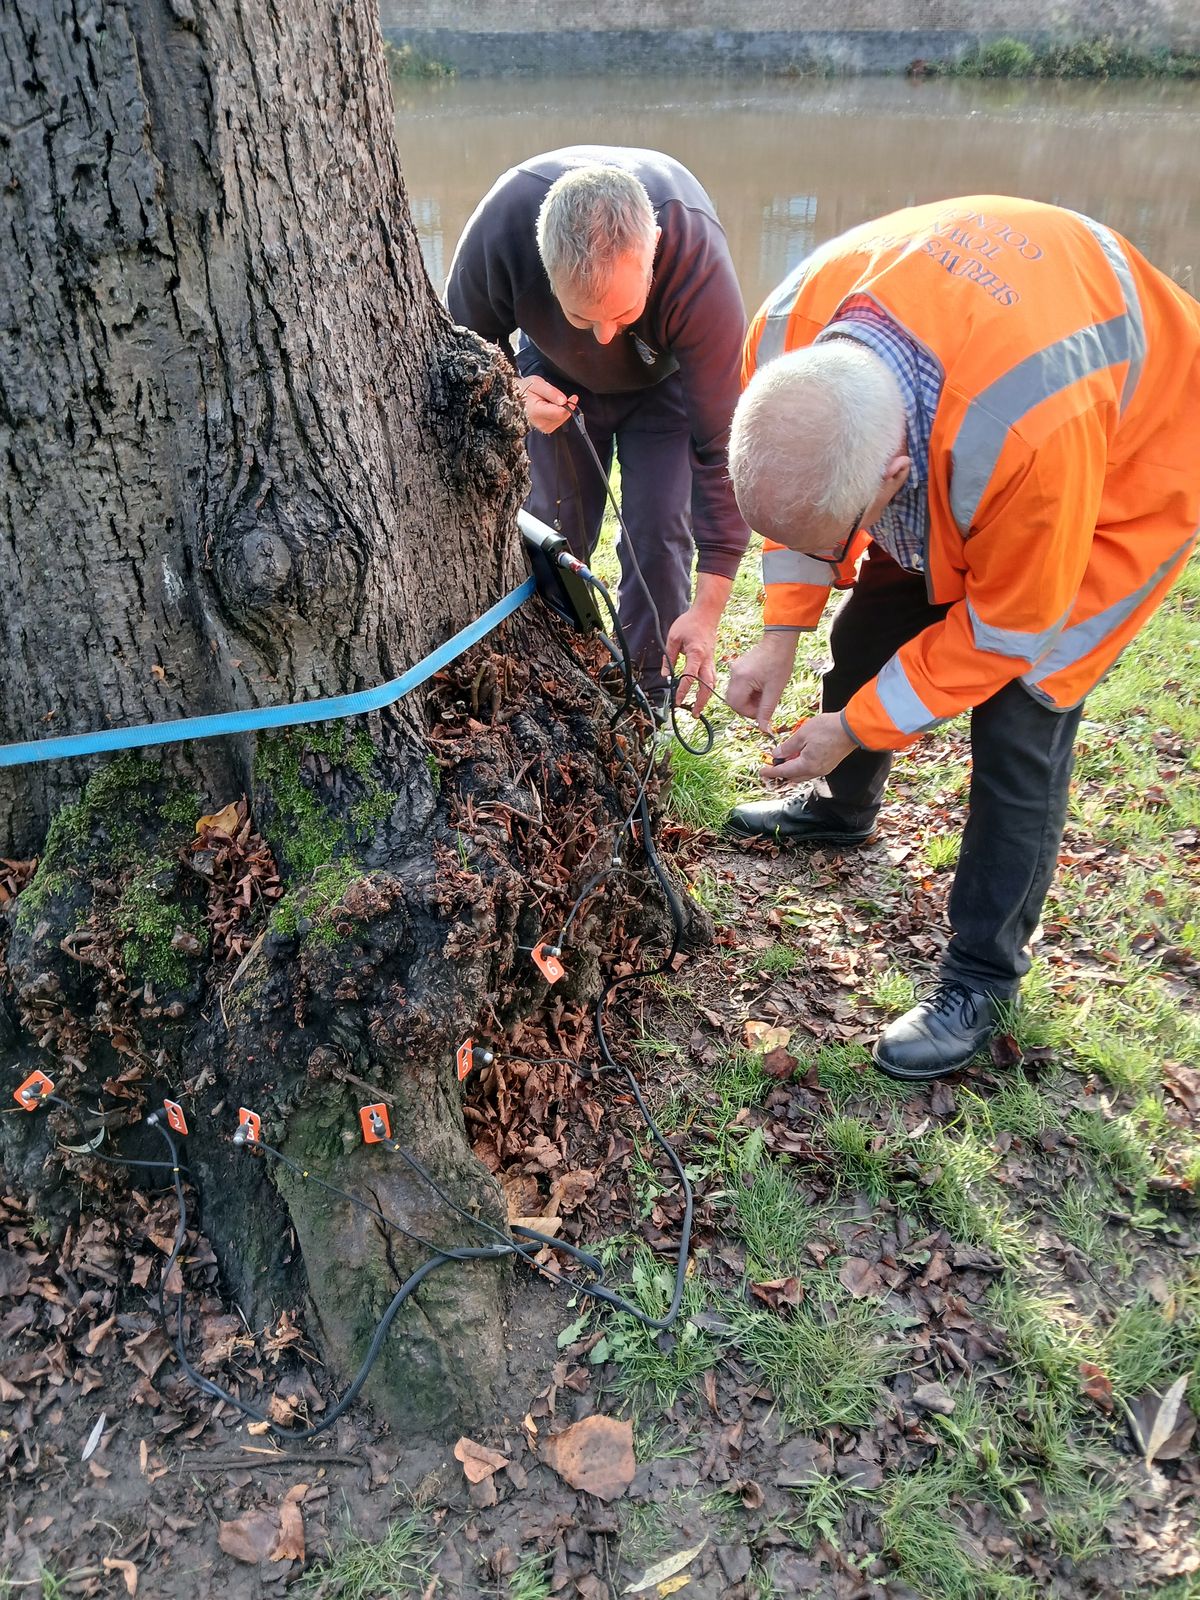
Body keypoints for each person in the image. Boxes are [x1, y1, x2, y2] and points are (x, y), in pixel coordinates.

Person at [723, 196, 1200, 1082]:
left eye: (852, 526)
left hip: (1129, 457)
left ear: (897, 475)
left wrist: (853, 727)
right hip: (962, 410)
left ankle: (982, 977)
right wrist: (781, 632)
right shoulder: (788, 335)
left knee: (1026, 717)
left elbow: (1009, 629)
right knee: (871, 621)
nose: (829, 552)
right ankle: (843, 810)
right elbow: (800, 515)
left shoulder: (1024, 440)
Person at [446, 146, 750, 706]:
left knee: (658, 532)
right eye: (583, 316)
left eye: (624, 314)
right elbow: (457, 353)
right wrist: (511, 394)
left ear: (653, 248)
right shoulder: (505, 226)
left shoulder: (696, 260)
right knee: (553, 527)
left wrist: (707, 613)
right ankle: (555, 671)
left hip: (664, 388)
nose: (605, 337)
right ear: (541, 263)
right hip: (555, 382)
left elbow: (721, 450)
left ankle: (648, 693)